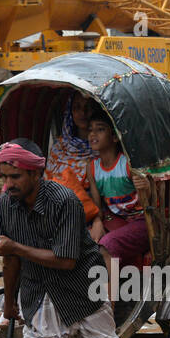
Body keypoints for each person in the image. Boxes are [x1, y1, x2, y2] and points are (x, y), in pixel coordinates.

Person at [0, 139, 144, 338]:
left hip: (79, 286)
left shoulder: (65, 201)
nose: (8, 185)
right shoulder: (7, 203)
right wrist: (9, 305)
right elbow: (10, 261)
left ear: (37, 174)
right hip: (38, 290)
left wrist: (16, 248)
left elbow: (65, 260)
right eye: (4, 177)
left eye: (15, 177)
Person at [85, 108, 153, 280]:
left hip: (141, 221)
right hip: (115, 220)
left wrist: (145, 186)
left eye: (100, 129)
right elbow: (97, 206)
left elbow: (149, 200)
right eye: (90, 130)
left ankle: (109, 302)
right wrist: (97, 221)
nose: (93, 134)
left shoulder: (127, 164)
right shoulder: (92, 167)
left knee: (107, 245)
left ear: (114, 137)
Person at [44, 92, 102, 239]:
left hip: (95, 209)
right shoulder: (59, 148)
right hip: (60, 211)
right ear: (70, 111)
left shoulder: (103, 146)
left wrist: (97, 220)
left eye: (88, 107)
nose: (82, 113)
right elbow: (48, 184)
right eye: (77, 107)